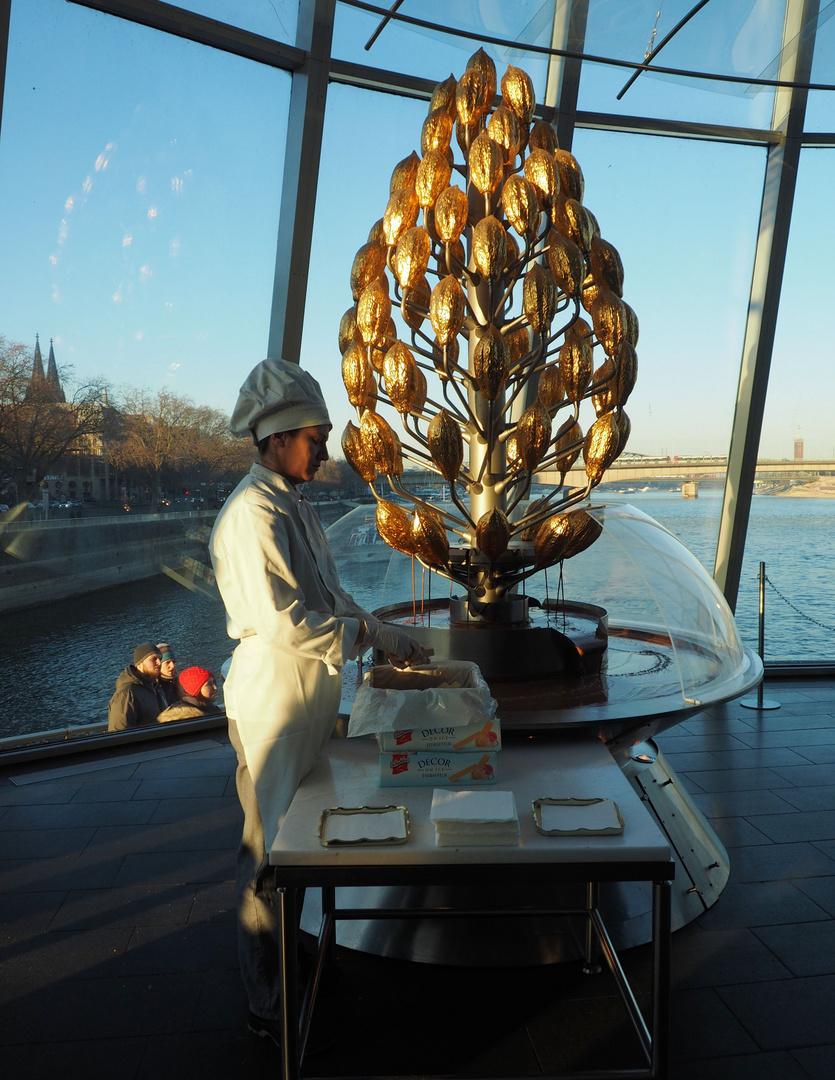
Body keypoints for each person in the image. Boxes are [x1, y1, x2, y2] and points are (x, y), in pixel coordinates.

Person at [209, 356, 427, 1047]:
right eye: (314, 436)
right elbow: (284, 623)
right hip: (274, 699)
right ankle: (268, 1002)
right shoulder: (252, 516)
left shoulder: (288, 506)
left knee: (292, 840)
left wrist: (381, 630)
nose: (324, 450)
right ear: (275, 440)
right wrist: (373, 636)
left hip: (301, 695)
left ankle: (293, 958)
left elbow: (328, 602)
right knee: (269, 853)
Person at [107, 643, 168, 731]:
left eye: (160, 659)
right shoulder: (126, 694)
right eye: (153, 659)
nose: (159, 663)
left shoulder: (155, 687)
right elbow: (119, 733)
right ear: (139, 664)